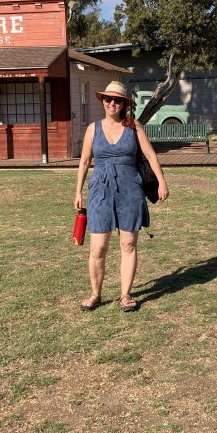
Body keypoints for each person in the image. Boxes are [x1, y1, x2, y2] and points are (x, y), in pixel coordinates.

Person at [74, 80, 169, 312]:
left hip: (130, 190)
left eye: (117, 100)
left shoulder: (134, 127)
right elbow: (85, 161)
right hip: (100, 191)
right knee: (98, 248)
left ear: (124, 104)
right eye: (108, 99)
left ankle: (125, 295)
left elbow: (151, 156)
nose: (112, 104)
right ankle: (95, 293)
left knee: (128, 244)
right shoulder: (92, 129)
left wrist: (162, 183)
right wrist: (77, 191)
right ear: (103, 101)